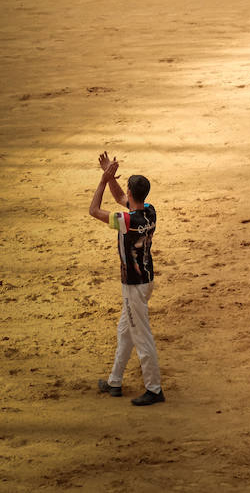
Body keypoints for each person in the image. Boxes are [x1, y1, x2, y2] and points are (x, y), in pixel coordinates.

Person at [88, 151, 164, 406]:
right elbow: (121, 197)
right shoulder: (149, 213)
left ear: (132, 194)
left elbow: (93, 210)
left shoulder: (125, 220)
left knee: (141, 336)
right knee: (125, 332)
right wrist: (111, 176)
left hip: (133, 285)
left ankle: (154, 389)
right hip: (146, 280)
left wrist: (102, 180)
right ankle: (114, 382)